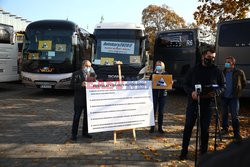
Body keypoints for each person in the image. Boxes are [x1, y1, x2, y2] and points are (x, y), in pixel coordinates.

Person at [179, 46, 225, 160]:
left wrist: (216, 92)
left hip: (208, 104)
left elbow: (223, 85)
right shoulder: (194, 69)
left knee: (205, 129)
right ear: (203, 56)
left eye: (213, 57)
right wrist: (191, 93)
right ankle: (184, 151)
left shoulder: (217, 70)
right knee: (188, 127)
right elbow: (185, 84)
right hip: (194, 103)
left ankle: (203, 153)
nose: (211, 59)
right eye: (209, 57)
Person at [221, 56, 246, 140]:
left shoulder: (239, 72)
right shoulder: (223, 72)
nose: (226, 63)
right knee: (224, 114)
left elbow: (243, 83)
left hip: (234, 98)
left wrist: (238, 91)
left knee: (235, 116)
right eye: (226, 62)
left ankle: (236, 133)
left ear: (233, 63)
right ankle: (225, 128)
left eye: (228, 62)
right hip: (224, 97)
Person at [70, 60, 96, 141]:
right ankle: (74, 134)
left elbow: (94, 84)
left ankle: (85, 132)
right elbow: (71, 86)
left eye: (90, 66)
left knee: (87, 118)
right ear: (83, 66)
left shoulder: (92, 74)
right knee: (77, 117)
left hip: (88, 100)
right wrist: (80, 84)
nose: (88, 68)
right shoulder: (76, 74)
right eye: (87, 66)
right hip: (79, 100)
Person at [149, 61, 168, 134]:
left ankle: (160, 127)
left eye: (159, 65)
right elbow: (150, 83)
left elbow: (168, 83)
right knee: (153, 111)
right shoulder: (153, 74)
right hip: (155, 94)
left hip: (163, 94)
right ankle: (152, 127)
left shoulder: (166, 73)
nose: (158, 67)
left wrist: (171, 82)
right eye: (157, 65)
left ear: (162, 66)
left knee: (161, 111)